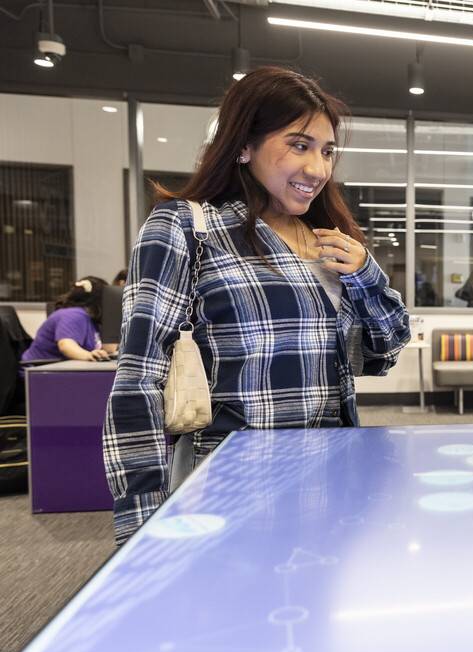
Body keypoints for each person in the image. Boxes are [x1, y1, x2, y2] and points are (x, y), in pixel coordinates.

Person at [103, 66, 410, 544]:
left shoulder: (328, 241)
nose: (318, 169)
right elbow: (138, 382)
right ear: (244, 145)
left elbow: (378, 358)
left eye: (327, 151)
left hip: (330, 479)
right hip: (229, 489)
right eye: (299, 145)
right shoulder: (186, 228)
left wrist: (368, 276)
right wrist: (139, 530)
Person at [21, 277, 115, 363]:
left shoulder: (91, 320)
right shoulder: (73, 315)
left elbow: (109, 349)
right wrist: (88, 355)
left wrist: (112, 318)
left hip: (60, 369)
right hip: (38, 371)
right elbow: (66, 346)